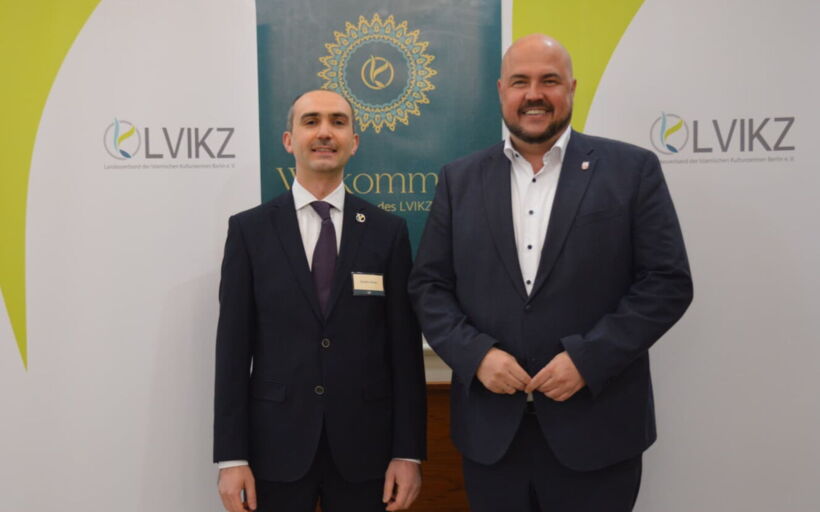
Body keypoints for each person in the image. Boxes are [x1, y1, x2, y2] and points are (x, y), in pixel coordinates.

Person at [408, 34, 693, 511]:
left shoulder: (632, 170)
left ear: (572, 88)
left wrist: (588, 359)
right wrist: (476, 355)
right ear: (501, 90)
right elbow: (428, 286)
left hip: (599, 432)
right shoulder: (459, 179)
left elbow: (667, 283)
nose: (534, 94)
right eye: (520, 81)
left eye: (550, 81)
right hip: (491, 437)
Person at [213, 90, 426, 512]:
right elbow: (233, 351)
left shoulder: (387, 232)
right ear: (289, 140)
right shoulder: (250, 232)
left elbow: (404, 352)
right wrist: (232, 458)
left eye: (338, 122)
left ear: (354, 141)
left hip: (367, 451)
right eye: (311, 121)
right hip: (275, 449)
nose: (325, 132)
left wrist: (408, 453)